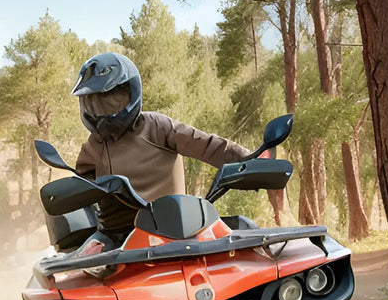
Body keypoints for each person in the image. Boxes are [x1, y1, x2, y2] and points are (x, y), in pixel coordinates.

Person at [71, 52, 252, 234]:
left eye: (111, 100)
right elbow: (79, 192)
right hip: (118, 237)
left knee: (243, 230)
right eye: (92, 103)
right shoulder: (93, 146)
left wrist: (252, 160)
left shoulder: (156, 126)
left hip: (173, 229)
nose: (100, 112)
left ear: (131, 91)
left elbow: (208, 146)